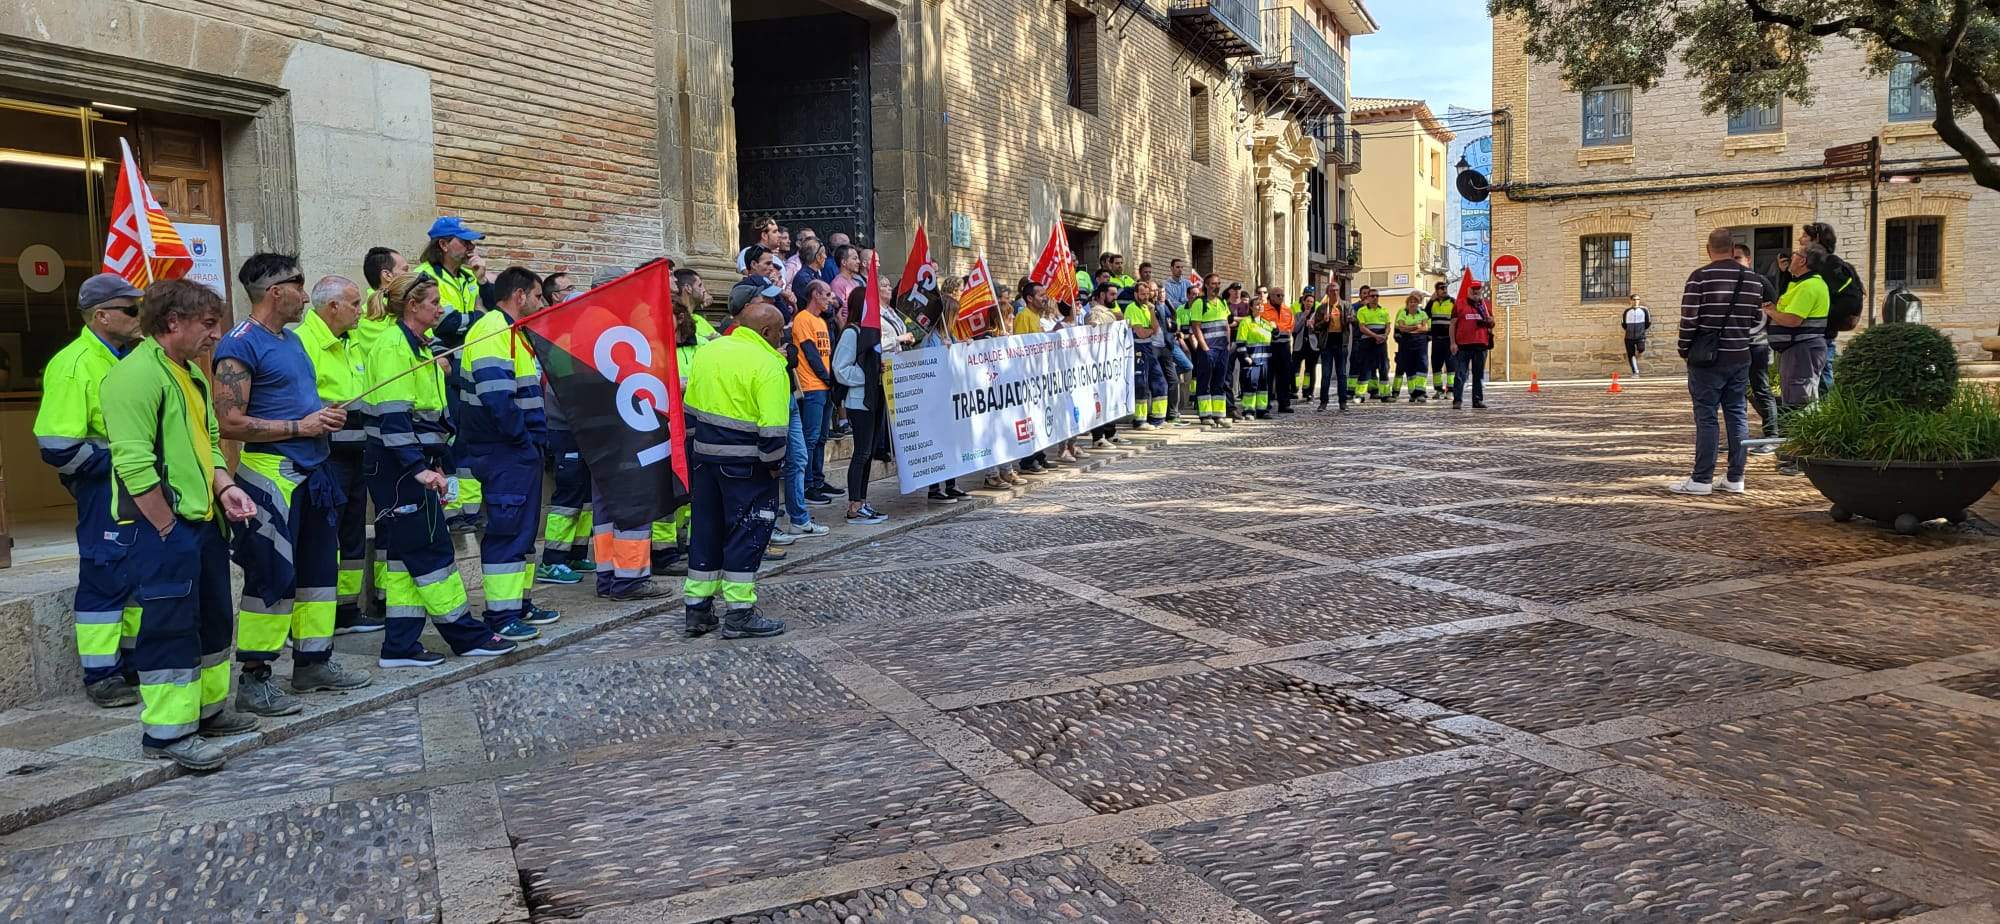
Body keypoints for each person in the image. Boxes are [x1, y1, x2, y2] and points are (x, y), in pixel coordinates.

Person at [102, 278, 262, 769]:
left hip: (203, 520)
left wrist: (224, 486)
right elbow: (133, 466)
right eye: (209, 324)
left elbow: (209, 443)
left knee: (213, 620)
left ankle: (208, 712)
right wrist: (167, 527)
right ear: (173, 323)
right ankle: (168, 734)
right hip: (163, 529)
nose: (217, 335)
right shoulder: (135, 377)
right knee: (169, 628)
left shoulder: (190, 373)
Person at [212, 254, 372, 716]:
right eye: (299, 287)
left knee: (320, 571)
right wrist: (300, 427)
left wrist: (324, 416)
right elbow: (230, 423)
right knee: (272, 577)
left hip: (314, 472)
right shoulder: (238, 345)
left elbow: (298, 405)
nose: (306, 296)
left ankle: (313, 663)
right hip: (271, 476)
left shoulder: (291, 340)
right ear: (274, 291)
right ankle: (255, 676)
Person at [358, 274, 517, 664]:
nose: (440, 309)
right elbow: (395, 419)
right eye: (433, 302)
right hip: (401, 468)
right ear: (413, 306)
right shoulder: (394, 347)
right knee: (433, 554)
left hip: (412, 462)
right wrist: (418, 469)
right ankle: (465, 635)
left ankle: (399, 645)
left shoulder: (418, 346)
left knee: (403, 560)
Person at [36, 273, 146, 707]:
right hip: (105, 487)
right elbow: (57, 446)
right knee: (105, 577)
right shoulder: (75, 363)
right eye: (132, 310)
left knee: (137, 573)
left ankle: (136, 661)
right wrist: (111, 466)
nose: (141, 317)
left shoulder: (126, 356)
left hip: (137, 485)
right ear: (102, 316)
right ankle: (101, 674)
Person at [458, 267, 560, 640]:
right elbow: (497, 398)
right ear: (519, 296)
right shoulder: (492, 330)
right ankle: (501, 616)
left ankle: (519, 603)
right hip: (504, 451)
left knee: (523, 531)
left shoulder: (513, 333)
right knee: (506, 530)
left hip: (517, 449)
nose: (540, 303)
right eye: (536, 296)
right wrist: (522, 439)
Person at [682, 301, 791, 639]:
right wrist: (774, 469)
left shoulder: (709, 352)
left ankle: (697, 611)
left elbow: (689, 411)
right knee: (747, 534)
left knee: (705, 532)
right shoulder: (770, 365)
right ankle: (740, 613)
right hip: (747, 467)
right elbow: (773, 432)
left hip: (703, 460)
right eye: (779, 331)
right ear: (766, 332)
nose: (781, 337)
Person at [295, 275, 383, 635]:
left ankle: (345, 610)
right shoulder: (302, 342)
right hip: (323, 455)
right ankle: (316, 615)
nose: (360, 310)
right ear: (332, 307)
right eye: (354, 304)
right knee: (321, 537)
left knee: (351, 532)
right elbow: (295, 399)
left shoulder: (351, 341)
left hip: (356, 450)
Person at [1670, 228, 1768, 496]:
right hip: (1740, 355)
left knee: (1707, 417)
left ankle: (1701, 479)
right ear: (1733, 246)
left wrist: (1684, 349)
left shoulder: (1699, 278)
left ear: (1708, 249)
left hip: (1707, 359)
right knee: (1737, 414)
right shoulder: (1753, 280)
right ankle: (1736, 477)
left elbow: (1689, 319)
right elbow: (1754, 321)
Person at [415, 217, 486, 531]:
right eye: (464, 241)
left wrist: (483, 282)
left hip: (468, 366)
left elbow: (490, 314)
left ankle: (470, 511)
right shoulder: (424, 277)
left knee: (470, 438)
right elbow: (444, 323)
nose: (472, 247)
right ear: (443, 244)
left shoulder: (470, 277)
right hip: (444, 368)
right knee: (451, 437)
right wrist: (475, 319)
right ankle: (452, 511)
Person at [535, 273, 595, 586]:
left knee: (584, 495)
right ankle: (553, 560)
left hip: (584, 428)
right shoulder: (560, 345)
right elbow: (569, 388)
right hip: (565, 427)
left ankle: (576, 551)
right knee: (568, 496)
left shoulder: (582, 343)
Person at [1767, 244, 1832, 475]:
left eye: (1794, 255)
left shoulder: (1809, 286)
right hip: (1796, 350)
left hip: (1802, 350)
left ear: (1803, 261)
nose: (1790, 257)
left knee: (1800, 403)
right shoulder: (1802, 283)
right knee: (1796, 399)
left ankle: (1801, 459)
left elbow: (1793, 319)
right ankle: (1798, 454)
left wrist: (1770, 310)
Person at [833, 288, 890, 525]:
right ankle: (854, 505)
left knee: (868, 454)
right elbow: (840, 368)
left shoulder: (870, 333)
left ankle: (863, 501)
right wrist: (867, 375)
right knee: (861, 453)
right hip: (859, 401)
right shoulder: (852, 333)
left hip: (874, 397)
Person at [793, 280, 838, 510]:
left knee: (821, 436)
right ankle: (808, 484)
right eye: (827, 294)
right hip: (812, 385)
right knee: (810, 438)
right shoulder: (803, 319)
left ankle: (818, 480)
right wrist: (827, 379)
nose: (831, 299)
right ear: (815, 295)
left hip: (824, 385)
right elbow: (810, 353)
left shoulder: (821, 320)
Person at [1735, 244, 1782, 453]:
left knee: (1761, 388)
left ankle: (1772, 436)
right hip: (1734, 347)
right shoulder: (1729, 283)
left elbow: (1775, 309)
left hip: (1758, 345)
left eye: (1737, 258)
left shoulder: (1761, 282)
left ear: (1749, 260)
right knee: (1736, 392)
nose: (1734, 262)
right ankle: (1739, 438)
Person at [1179, 274, 1232, 428]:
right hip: (1208, 349)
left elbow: (1226, 324)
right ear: (1207, 286)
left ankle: (1219, 415)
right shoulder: (1199, 303)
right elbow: (1196, 327)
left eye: (1219, 283)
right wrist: (1205, 348)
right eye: (1214, 284)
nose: (1217, 286)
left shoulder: (1222, 302)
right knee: (1205, 382)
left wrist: (1228, 344)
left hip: (1222, 349)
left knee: (1219, 382)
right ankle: (1205, 415)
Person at [1126, 282, 1169, 429]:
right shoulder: (1132, 308)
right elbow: (1141, 333)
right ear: (1136, 294)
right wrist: (1150, 330)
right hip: (1137, 347)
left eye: (1147, 294)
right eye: (1142, 294)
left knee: (1160, 381)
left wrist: (1151, 312)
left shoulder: (1147, 307)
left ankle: (1158, 419)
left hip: (1148, 347)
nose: (1145, 297)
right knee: (1141, 384)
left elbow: (1156, 329)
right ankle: (1140, 421)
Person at [1450, 281, 1496, 410]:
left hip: (1481, 344)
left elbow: (1492, 324)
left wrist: (1491, 321)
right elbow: (1453, 324)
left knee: (1479, 375)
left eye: (1478, 290)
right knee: (1460, 374)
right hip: (1463, 345)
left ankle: (1477, 400)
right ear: (1469, 291)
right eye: (1473, 290)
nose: (1476, 293)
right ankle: (1457, 400)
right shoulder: (1459, 304)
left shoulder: (1485, 305)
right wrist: (1453, 343)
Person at [1234, 290, 1276, 419]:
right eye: (1257, 304)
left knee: (1264, 387)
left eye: (1261, 304)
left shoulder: (1265, 322)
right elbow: (1240, 342)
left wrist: (1275, 328)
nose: (1260, 306)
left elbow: (1276, 337)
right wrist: (1245, 357)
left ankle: (1262, 410)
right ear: (1251, 307)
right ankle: (1248, 410)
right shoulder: (1246, 322)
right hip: (1252, 361)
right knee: (1250, 386)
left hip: (1265, 361)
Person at [1314, 287, 1354, 412]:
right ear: (1328, 293)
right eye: (1332, 290)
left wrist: (1351, 319)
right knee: (1326, 374)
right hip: (1327, 343)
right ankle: (1323, 402)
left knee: (1342, 374)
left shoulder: (1346, 306)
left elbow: (1355, 320)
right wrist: (1324, 322)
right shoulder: (1322, 308)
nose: (1335, 292)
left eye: (1337, 290)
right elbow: (1316, 327)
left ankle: (1343, 402)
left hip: (1341, 343)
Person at [1353, 288, 1392, 402]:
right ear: (1368, 298)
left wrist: (1384, 335)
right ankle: (1360, 395)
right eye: (1372, 296)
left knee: (1383, 367)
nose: (1375, 298)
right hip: (1367, 343)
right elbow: (1362, 327)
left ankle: (1385, 394)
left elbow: (1388, 326)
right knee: (1365, 368)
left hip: (1381, 343)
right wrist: (1375, 336)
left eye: (1377, 296)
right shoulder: (1362, 311)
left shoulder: (1384, 311)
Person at [1261, 289, 1296, 413]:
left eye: (1282, 295)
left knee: (1285, 376)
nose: (1281, 297)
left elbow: (1291, 327)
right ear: (1270, 296)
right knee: (1268, 376)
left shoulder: (1287, 310)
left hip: (1284, 347)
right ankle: (1266, 404)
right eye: (1278, 295)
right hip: (1270, 346)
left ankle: (1284, 404)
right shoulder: (1263, 309)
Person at [1393, 292, 1431, 403]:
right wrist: (1416, 327)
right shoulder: (1402, 312)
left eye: (1416, 301)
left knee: (1422, 365)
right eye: (1411, 301)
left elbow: (1425, 329)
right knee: (1409, 367)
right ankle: (1412, 393)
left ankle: (1420, 391)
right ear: (1407, 303)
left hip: (1420, 342)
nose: (1413, 303)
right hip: (1406, 342)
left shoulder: (1423, 313)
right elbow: (1401, 328)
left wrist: (1409, 328)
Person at [1424, 282, 1456, 395]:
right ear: (1436, 291)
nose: (1444, 290)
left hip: (1449, 339)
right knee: (1436, 365)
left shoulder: (1452, 302)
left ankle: (1450, 391)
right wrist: (1431, 301)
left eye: (1445, 288)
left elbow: (1457, 319)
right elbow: (1425, 315)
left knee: (1451, 365)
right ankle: (1438, 390)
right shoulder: (1433, 303)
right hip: (1436, 339)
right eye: (1441, 288)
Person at [1293, 287, 1321, 403]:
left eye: (1311, 301)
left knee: (1310, 370)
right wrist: (1304, 316)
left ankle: (1309, 392)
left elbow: (1320, 330)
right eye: (1307, 301)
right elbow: (1295, 329)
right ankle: (1293, 390)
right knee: (1295, 369)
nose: (1309, 303)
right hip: (1299, 345)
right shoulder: (1298, 314)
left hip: (1312, 345)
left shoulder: (1316, 315)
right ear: (1303, 302)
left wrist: (1313, 326)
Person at [1621, 294, 1651, 376]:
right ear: (1631, 301)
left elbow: (1648, 322)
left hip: (1640, 336)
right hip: (1628, 337)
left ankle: (1635, 358)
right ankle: (1635, 371)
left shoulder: (1644, 310)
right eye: (1634, 299)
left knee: (1641, 349)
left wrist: (1641, 330)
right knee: (1631, 354)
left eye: (1638, 299)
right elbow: (1623, 324)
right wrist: (1629, 330)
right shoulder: (1626, 311)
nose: (1636, 301)